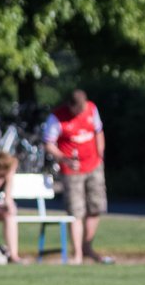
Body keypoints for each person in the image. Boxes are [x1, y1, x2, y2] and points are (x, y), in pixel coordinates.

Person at [43, 89, 111, 265]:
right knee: (76, 211)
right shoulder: (57, 117)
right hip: (72, 170)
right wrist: (63, 158)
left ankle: (87, 246)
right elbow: (48, 144)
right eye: (76, 109)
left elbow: (98, 131)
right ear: (70, 106)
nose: (80, 112)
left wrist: (100, 154)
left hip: (94, 165)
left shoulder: (91, 109)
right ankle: (78, 254)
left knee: (96, 207)